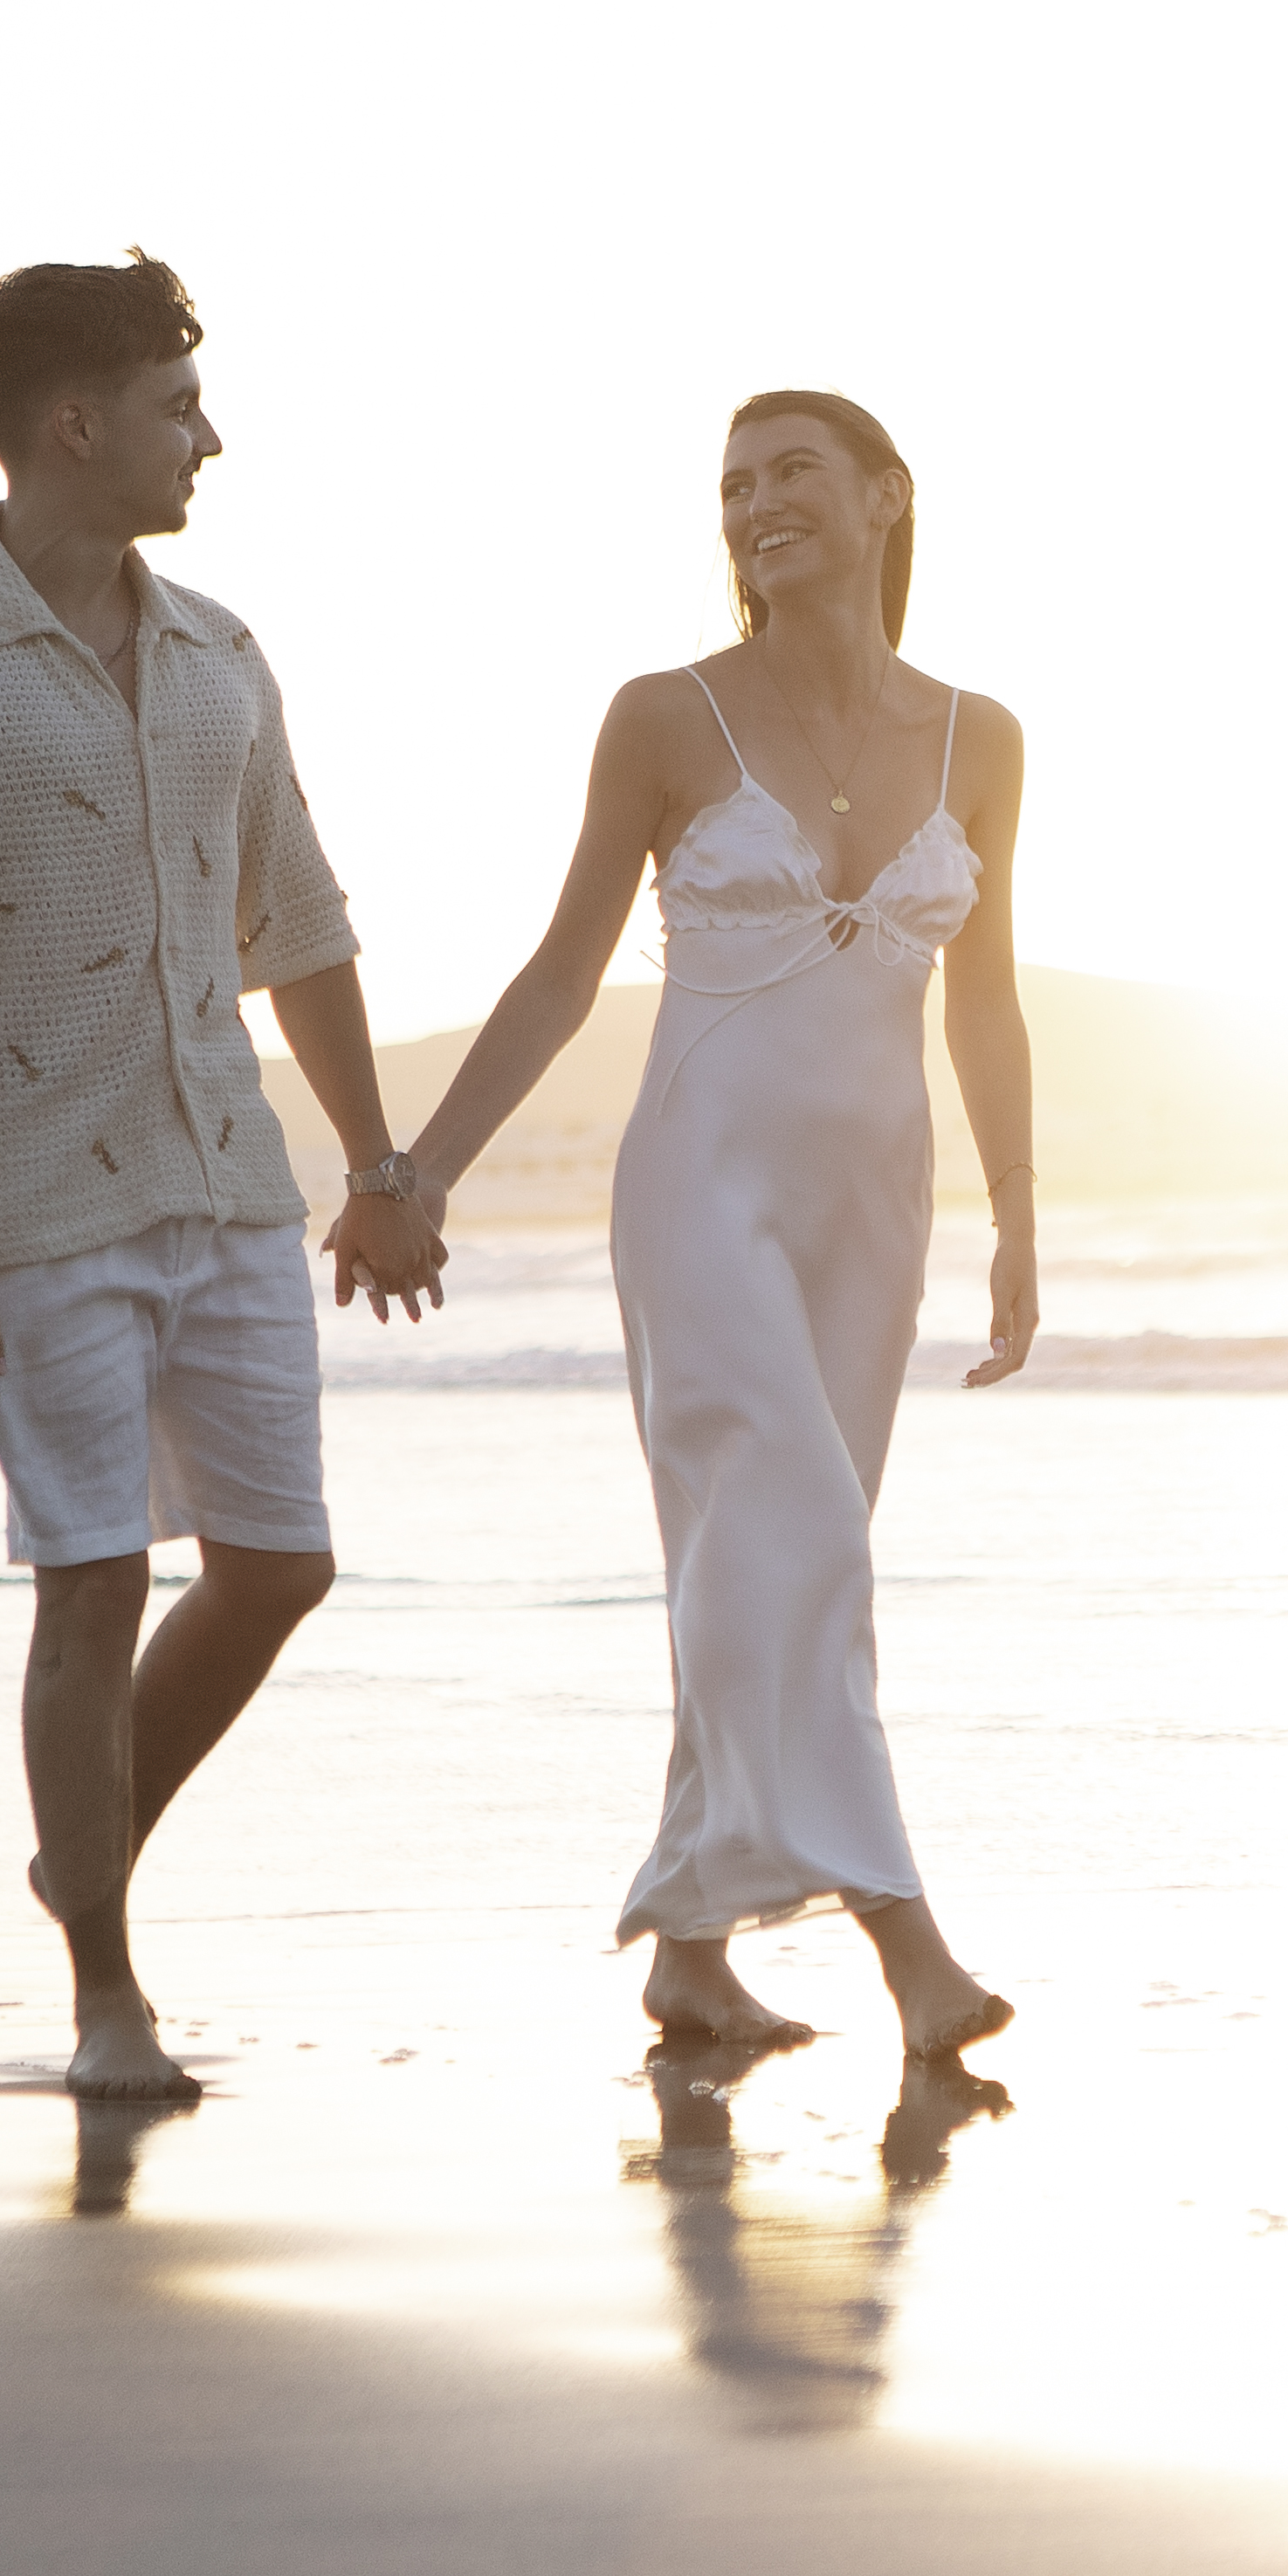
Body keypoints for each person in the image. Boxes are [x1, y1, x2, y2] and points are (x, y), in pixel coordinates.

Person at [0, 252, 443, 2100]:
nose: (206, 439)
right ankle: (106, 1990)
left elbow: (299, 923)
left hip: (226, 1183)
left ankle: (78, 1847)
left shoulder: (224, 654)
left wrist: (372, 1161)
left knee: (279, 1567)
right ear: (76, 424)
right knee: (89, 1586)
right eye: (175, 405)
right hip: (33, 1214)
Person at [394, 389, 1033, 2055]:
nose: (757, 505)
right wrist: (419, 1171)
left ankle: (688, 1947)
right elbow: (559, 971)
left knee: (752, 1568)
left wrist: (1015, 1217)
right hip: (701, 1190)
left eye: (794, 474)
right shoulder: (665, 718)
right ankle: (913, 1953)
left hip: (872, 1209)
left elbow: (989, 1007)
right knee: (798, 1545)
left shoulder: (982, 737)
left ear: (888, 497)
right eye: (735, 484)